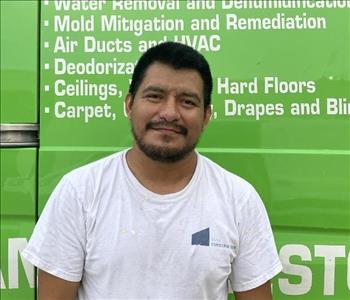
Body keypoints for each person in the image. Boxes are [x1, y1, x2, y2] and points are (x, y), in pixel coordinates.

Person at [23, 42, 282, 300]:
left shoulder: (239, 199)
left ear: (206, 116)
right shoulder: (80, 191)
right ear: (129, 104)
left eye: (187, 101)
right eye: (155, 96)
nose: (169, 113)